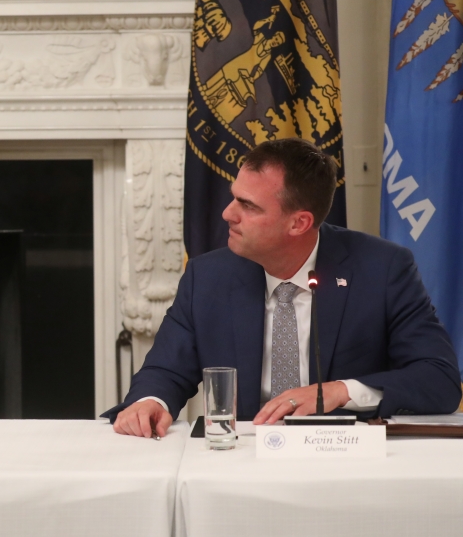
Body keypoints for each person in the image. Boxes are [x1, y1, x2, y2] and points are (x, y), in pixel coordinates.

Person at [105, 138, 461, 438]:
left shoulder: (381, 269)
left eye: (247, 205)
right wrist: (150, 402)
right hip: (241, 456)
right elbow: (165, 370)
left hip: (342, 458)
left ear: (298, 223)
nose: (228, 213)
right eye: (234, 198)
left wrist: (339, 391)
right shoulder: (207, 276)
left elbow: (439, 378)